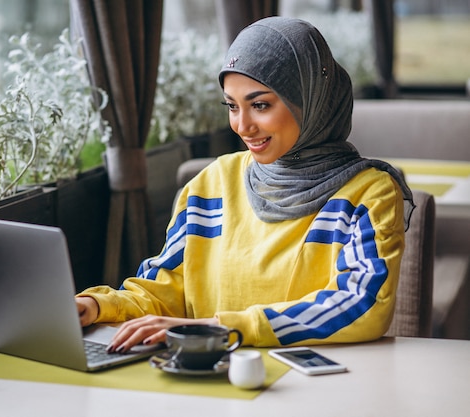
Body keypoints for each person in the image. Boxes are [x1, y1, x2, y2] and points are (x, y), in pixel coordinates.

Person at [75, 16, 414, 353]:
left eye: (260, 105)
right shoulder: (212, 183)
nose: (242, 125)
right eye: (232, 107)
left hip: (308, 392)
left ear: (312, 99)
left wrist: (219, 328)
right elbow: (166, 289)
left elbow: (362, 303)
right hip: (210, 380)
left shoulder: (370, 193)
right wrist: (99, 305)